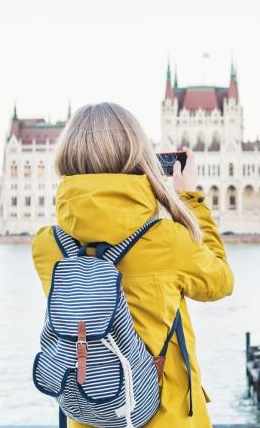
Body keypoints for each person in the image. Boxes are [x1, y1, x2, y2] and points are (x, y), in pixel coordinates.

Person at [31, 102, 234, 427]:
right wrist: (189, 200)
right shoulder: (167, 239)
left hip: (90, 415)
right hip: (164, 417)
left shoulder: (47, 245)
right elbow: (221, 281)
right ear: (137, 155)